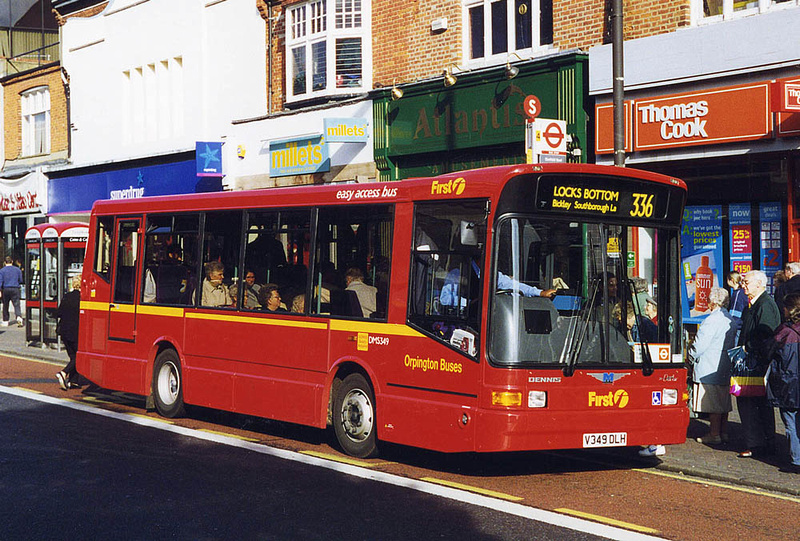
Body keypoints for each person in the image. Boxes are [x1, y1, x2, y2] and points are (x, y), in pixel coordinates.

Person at [737, 270, 781, 458]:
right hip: (748, 362)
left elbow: (766, 335)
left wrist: (748, 348)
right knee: (747, 400)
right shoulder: (751, 305)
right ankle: (756, 442)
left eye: (746, 282)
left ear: (759, 284)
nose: (743, 285)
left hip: (758, 363)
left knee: (757, 403)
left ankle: (761, 444)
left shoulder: (765, 305)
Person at [688, 287, 737, 445]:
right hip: (724, 366)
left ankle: (714, 434)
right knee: (723, 402)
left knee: (713, 404)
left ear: (713, 302)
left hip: (709, 367)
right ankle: (723, 432)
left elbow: (699, 346)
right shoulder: (730, 319)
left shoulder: (711, 320)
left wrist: (689, 357)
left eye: (708, 300)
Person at [767, 292, 800, 473]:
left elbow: (768, 351)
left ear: (789, 309)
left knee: (790, 422)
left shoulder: (784, 332)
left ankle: (796, 460)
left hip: (789, 383)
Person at [55, 275, 83, 391]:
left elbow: (58, 313)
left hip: (64, 331)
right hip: (76, 332)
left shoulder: (67, 296)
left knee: (73, 356)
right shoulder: (83, 298)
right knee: (79, 357)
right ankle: (63, 372)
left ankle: (73, 381)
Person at [0, 256, 24, 327]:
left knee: (5, 305)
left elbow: (0, 281)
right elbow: (21, 280)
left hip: (5, 289)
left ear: (4, 262)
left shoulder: (2, 271)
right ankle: (19, 317)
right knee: (16, 304)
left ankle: (5, 320)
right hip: (15, 288)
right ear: (12, 261)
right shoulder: (17, 270)